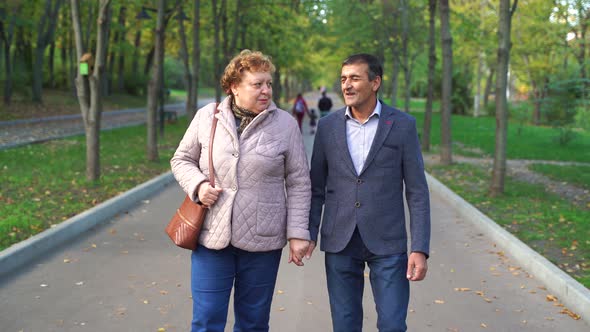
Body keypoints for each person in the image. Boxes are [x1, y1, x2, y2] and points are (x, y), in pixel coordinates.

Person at [171, 49, 311, 332]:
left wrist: (297, 234)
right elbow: (181, 159)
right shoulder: (207, 117)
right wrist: (198, 185)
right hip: (212, 236)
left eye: (268, 84)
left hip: (263, 240)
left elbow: (299, 182)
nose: (265, 91)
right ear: (234, 86)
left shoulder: (285, 124)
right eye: (257, 84)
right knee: (207, 319)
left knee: (254, 322)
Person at [306, 53, 431, 332]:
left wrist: (420, 248)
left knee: (392, 324)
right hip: (340, 239)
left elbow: (417, 192)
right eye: (343, 79)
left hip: (388, 242)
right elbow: (316, 188)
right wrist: (308, 233)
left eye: (354, 78)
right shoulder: (327, 127)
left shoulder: (402, 125)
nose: (347, 85)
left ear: (375, 82)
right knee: (345, 324)